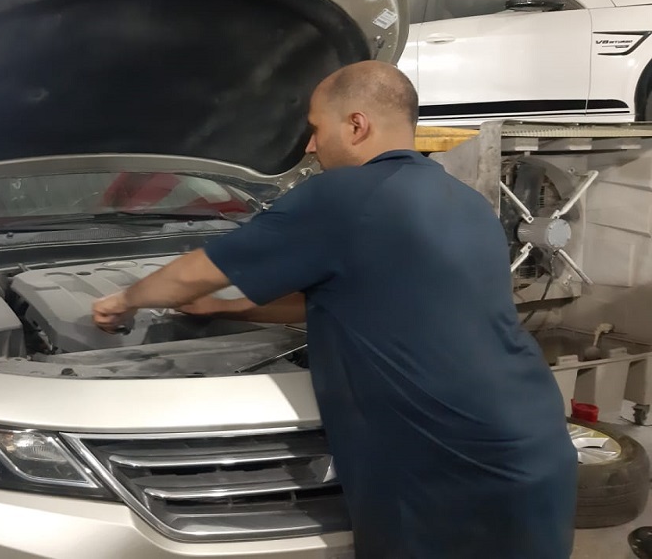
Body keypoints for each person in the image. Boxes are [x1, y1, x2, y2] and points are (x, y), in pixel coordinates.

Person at [92, 60, 577, 558]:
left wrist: (122, 302)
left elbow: (195, 271)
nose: (309, 145)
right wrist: (224, 309)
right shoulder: (465, 201)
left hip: (445, 473)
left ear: (356, 125)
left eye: (316, 128)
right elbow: (353, 298)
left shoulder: (343, 194)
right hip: (534, 446)